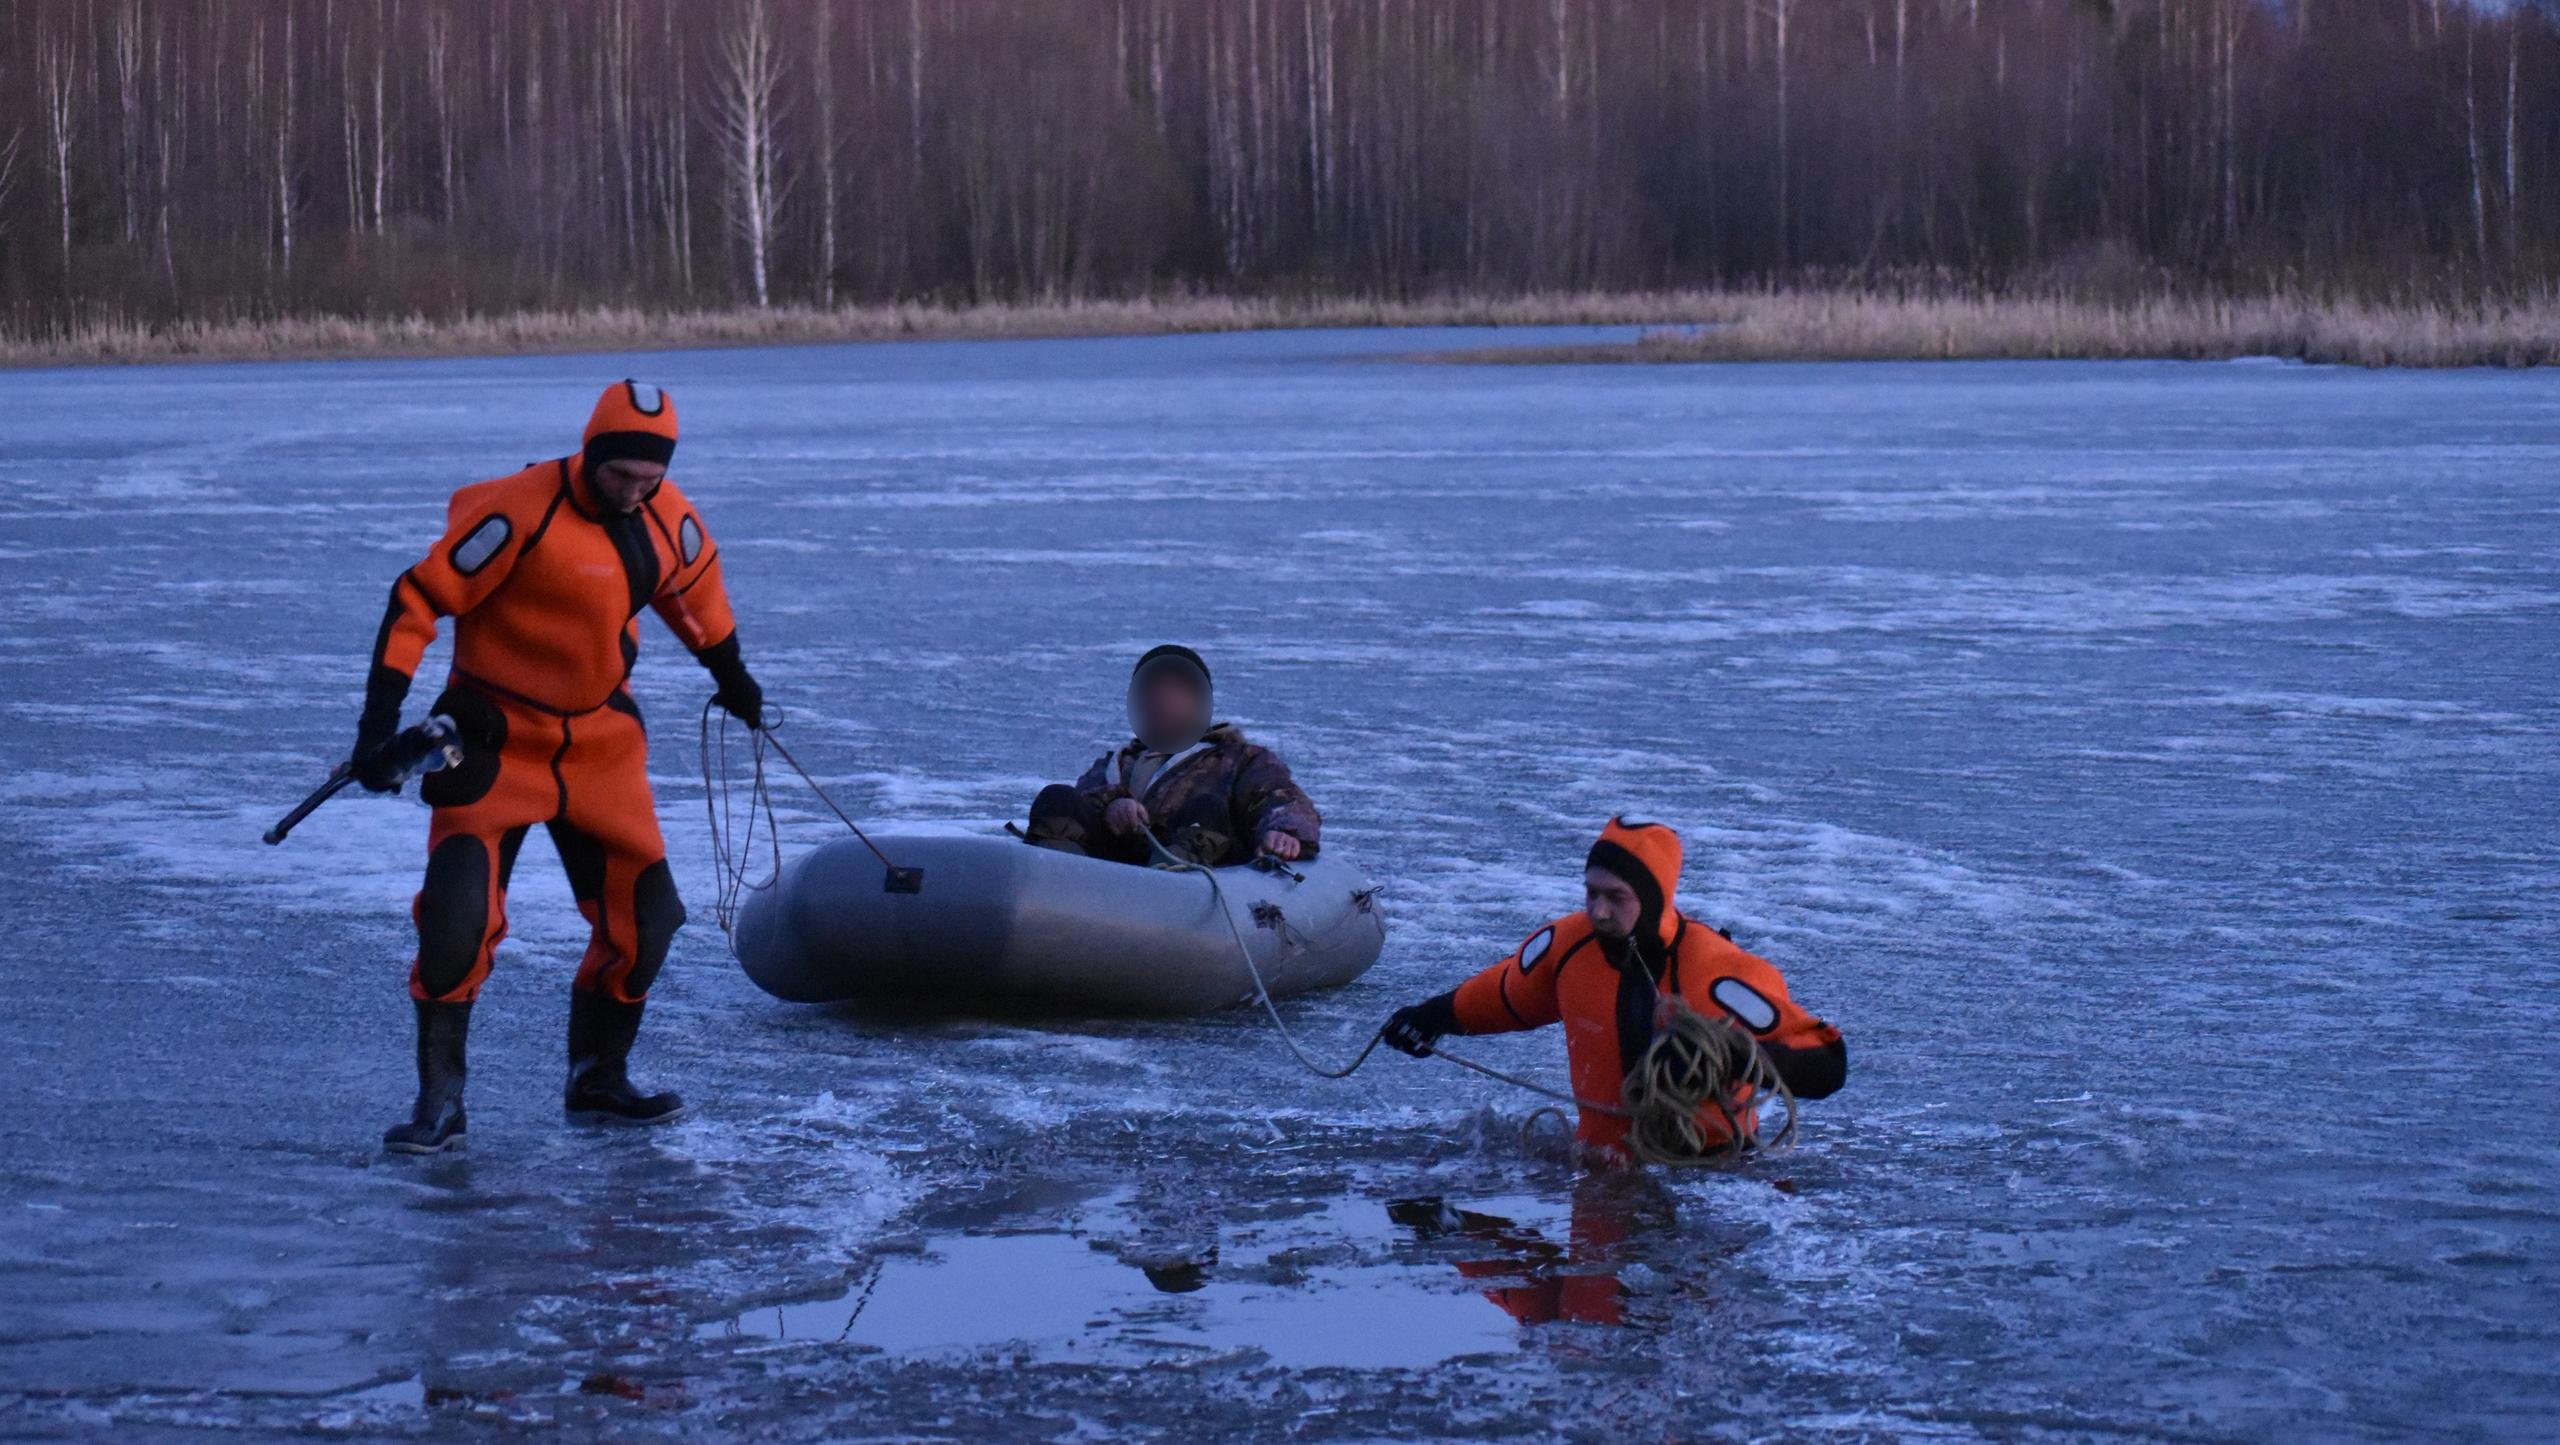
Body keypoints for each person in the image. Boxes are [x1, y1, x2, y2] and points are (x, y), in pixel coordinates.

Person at [352, 380, 766, 1154]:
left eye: (651, 481)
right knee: (455, 925)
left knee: (648, 923)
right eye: (621, 478)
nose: (635, 494)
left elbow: (696, 598)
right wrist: (376, 730)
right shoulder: (519, 509)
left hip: (601, 746)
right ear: (593, 453)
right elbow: (415, 602)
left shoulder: (664, 515)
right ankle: (440, 1101)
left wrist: (733, 678)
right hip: (491, 742)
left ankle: (598, 1078)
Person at [1379, 817, 1846, 1163]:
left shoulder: (1720, 977)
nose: (1599, 911)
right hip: (1601, 1167)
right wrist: (1428, 1019)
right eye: (1591, 893)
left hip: (1713, 1175)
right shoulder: (1568, 948)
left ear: (1654, 899)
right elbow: (1500, 996)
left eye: (1616, 897)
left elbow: (1827, 1068)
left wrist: (1726, 1054)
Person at [1022, 645, 1321, 868]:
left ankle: (1170, 888)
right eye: (1152, 694)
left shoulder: (1240, 759)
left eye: (1174, 694)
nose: (1162, 703)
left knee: (1204, 808)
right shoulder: (1116, 764)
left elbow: (1281, 799)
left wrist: (1283, 832)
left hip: (1192, 884)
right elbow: (1086, 801)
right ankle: (1053, 887)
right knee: (1058, 799)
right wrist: (1114, 804)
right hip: (1107, 874)